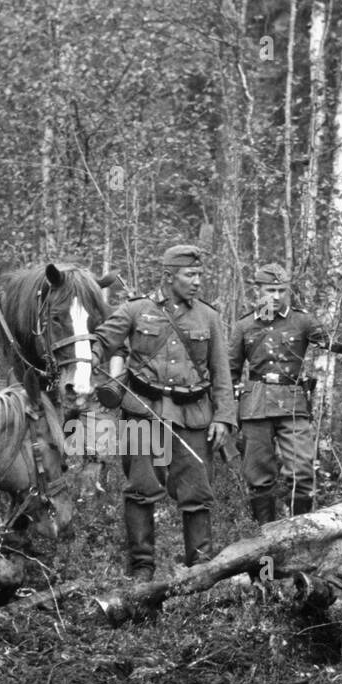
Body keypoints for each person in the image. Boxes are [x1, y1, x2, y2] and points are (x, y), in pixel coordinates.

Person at [91, 244, 236, 580]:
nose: (197, 281)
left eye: (200, 274)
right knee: (141, 488)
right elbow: (99, 343)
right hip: (143, 410)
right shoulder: (135, 310)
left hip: (194, 414)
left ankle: (199, 569)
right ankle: (141, 569)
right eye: (190, 275)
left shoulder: (209, 317)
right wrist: (86, 363)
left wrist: (224, 417)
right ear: (169, 276)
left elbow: (221, 373)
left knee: (197, 491)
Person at [229, 263, 342, 523]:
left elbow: (332, 338)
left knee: (302, 471)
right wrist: (226, 415)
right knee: (259, 478)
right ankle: (266, 535)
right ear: (257, 291)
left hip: (292, 404)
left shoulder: (301, 321)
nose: (276, 296)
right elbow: (230, 372)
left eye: (281, 290)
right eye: (270, 290)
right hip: (255, 406)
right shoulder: (244, 326)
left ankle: (298, 532)